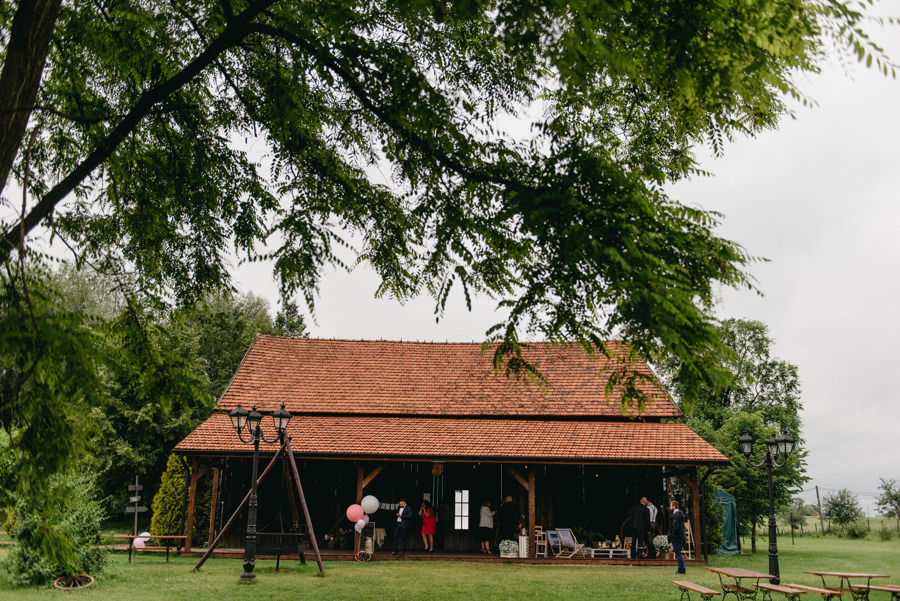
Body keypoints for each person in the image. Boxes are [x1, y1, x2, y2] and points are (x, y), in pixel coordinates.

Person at [668, 500, 686, 575]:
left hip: (677, 537)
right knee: (679, 553)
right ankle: (682, 569)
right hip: (680, 536)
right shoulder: (680, 513)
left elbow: (675, 527)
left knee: (678, 553)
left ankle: (681, 570)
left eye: (671, 505)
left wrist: (672, 536)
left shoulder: (676, 515)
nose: (670, 507)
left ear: (674, 506)